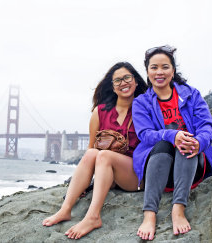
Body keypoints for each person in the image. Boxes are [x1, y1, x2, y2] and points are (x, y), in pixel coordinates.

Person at [42, 62, 147, 239]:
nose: (123, 83)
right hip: (109, 175)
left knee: (104, 155)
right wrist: (85, 184)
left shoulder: (145, 109)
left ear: (136, 81)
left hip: (136, 176)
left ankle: (93, 217)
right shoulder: (100, 112)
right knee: (92, 153)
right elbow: (91, 149)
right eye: (118, 80)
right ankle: (66, 209)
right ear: (112, 87)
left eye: (127, 78)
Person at [133, 45, 212, 240]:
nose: (159, 72)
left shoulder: (191, 94)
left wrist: (198, 141)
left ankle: (178, 209)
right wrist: (171, 135)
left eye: (165, 67)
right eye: (154, 67)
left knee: (186, 142)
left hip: (191, 169)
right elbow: (144, 134)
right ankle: (149, 213)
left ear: (173, 70)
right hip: (159, 171)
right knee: (163, 143)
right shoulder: (142, 102)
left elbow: (206, 125)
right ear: (147, 71)